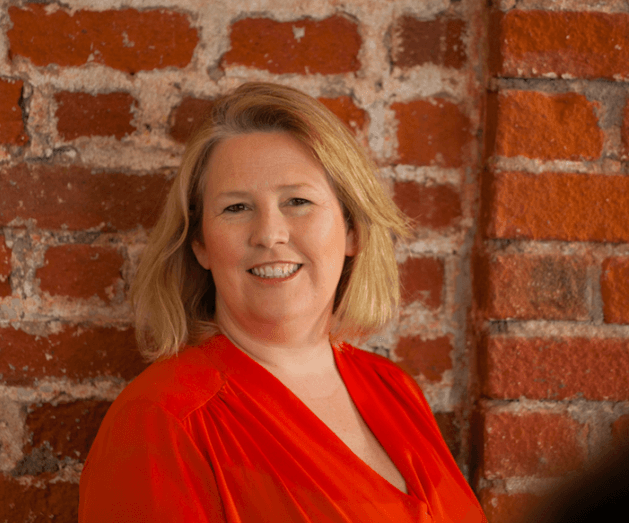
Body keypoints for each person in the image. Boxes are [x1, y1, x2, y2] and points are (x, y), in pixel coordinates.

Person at [78, 83, 487, 522]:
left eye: (297, 201)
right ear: (200, 244)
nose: (269, 234)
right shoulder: (162, 420)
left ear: (353, 230)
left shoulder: (396, 390)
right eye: (236, 208)